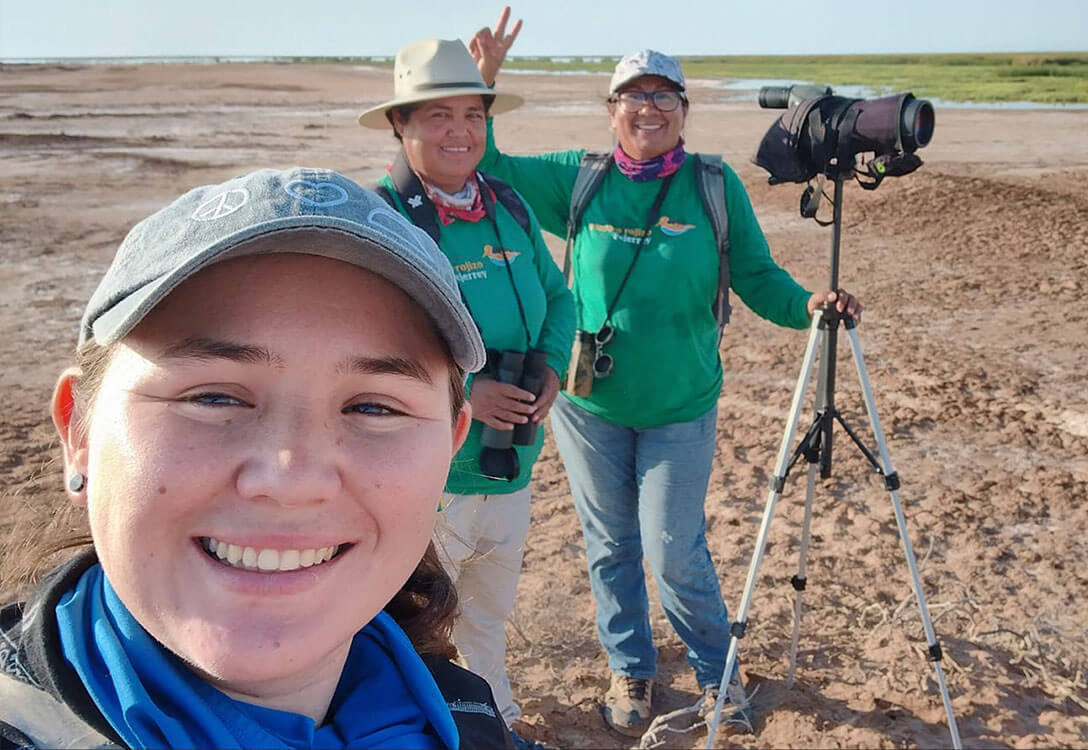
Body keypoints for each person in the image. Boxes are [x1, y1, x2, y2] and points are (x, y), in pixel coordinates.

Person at [0, 167, 517, 750]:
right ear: (79, 431)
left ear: (448, 450)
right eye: (213, 397)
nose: (290, 478)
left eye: (373, 408)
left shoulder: (459, 713)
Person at [470, 8, 863, 738]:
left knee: (673, 549)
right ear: (611, 109)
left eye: (663, 96)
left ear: (684, 110)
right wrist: (483, 83)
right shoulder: (576, 182)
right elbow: (488, 166)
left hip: (682, 405)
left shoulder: (713, 188)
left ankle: (719, 678)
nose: (647, 108)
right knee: (609, 545)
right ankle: (631, 670)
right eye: (633, 96)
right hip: (589, 409)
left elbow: (757, 277)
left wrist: (808, 303)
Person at [357, 37, 573, 750]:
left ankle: (495, 721)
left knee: (488, 610)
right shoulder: (381, 216)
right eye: (438, 116)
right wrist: (462, 397)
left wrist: (549, 366)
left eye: (473, 115)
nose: (460, 132)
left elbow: (558, 296)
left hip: (510, 465)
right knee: (411, 620)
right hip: (426, 475)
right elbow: (367, 344)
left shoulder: (506, 202)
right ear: (401, 126)